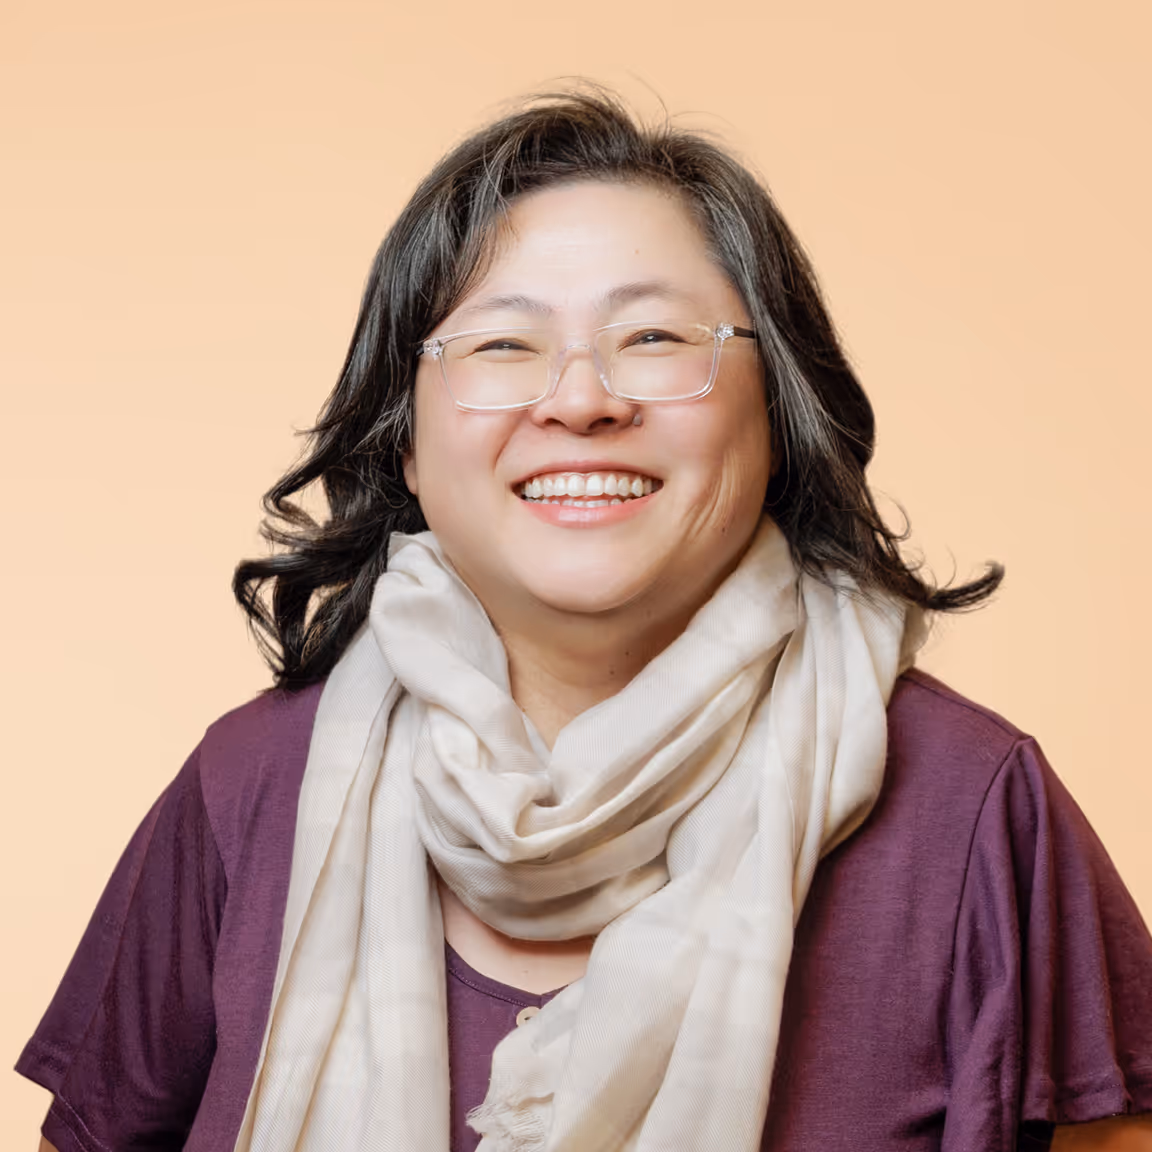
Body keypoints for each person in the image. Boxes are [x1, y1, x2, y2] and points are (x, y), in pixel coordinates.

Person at [17, 86, 1152, 1152]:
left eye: (654, 338)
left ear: (781, 409)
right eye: (503, 345)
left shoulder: (974, 809)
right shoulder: (247, 790)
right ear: (405, 440)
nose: (579, 398)